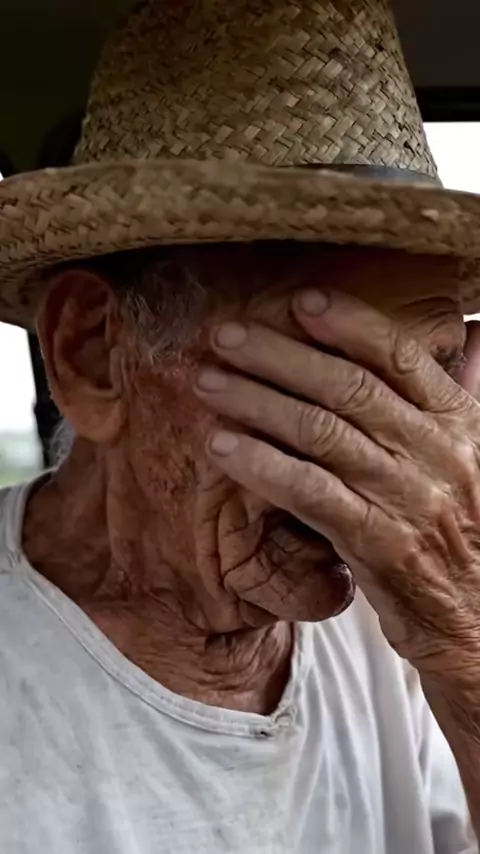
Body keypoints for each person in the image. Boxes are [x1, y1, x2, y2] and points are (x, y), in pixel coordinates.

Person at [1, 0, 480, 851]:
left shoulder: (415, 625)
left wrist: (468, 654)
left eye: (432, 370)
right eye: (330, 372)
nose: (402, 454)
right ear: (94, 354)